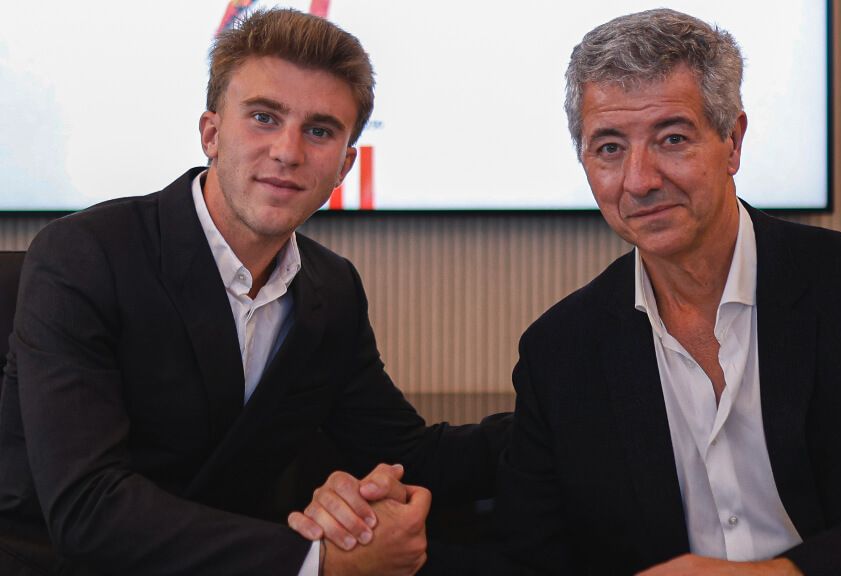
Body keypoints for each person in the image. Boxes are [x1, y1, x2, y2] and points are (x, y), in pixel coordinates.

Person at [496, 9, 841, 576]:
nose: (640, 180)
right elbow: (536, 559)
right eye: (609, 148)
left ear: (732, 141)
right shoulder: (560, 353)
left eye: (672, 138)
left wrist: (780, 575)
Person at [0, 8, 505, 576]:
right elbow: (87, 508)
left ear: (344, 165)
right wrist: (318, 561)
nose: (288, 152)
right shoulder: (83, 255)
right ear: (211, 133)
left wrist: (563, 412)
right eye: (264, 118)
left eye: (319, 131)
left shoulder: (331, 289)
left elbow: (407, 455)